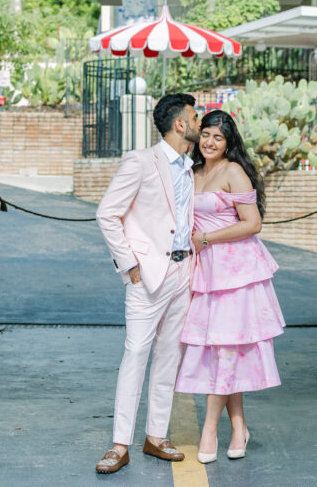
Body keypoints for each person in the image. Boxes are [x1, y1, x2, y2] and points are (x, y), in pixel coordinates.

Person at [94, 93, 201, 475]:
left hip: (183, 273)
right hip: (147, 277)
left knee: (169, 359)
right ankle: (119, 444)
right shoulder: (140, 161)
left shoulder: (190, 165)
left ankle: (156, 436)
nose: (198, 120)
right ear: (179, 124)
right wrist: (129, 265)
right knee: (135, 356)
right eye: (194, 115)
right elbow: (107, 214)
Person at [175, 110, 285, 463]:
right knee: (222, 350)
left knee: (225, 350)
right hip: (204, 272)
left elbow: (253, 224)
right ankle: (239, 426)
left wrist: (206, 237)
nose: (209, 142)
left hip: (236, 272)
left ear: (228, 143)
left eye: (217, 138)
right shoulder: (191, 173)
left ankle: (210, 429)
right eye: (205, 134)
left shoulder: (234, 172)